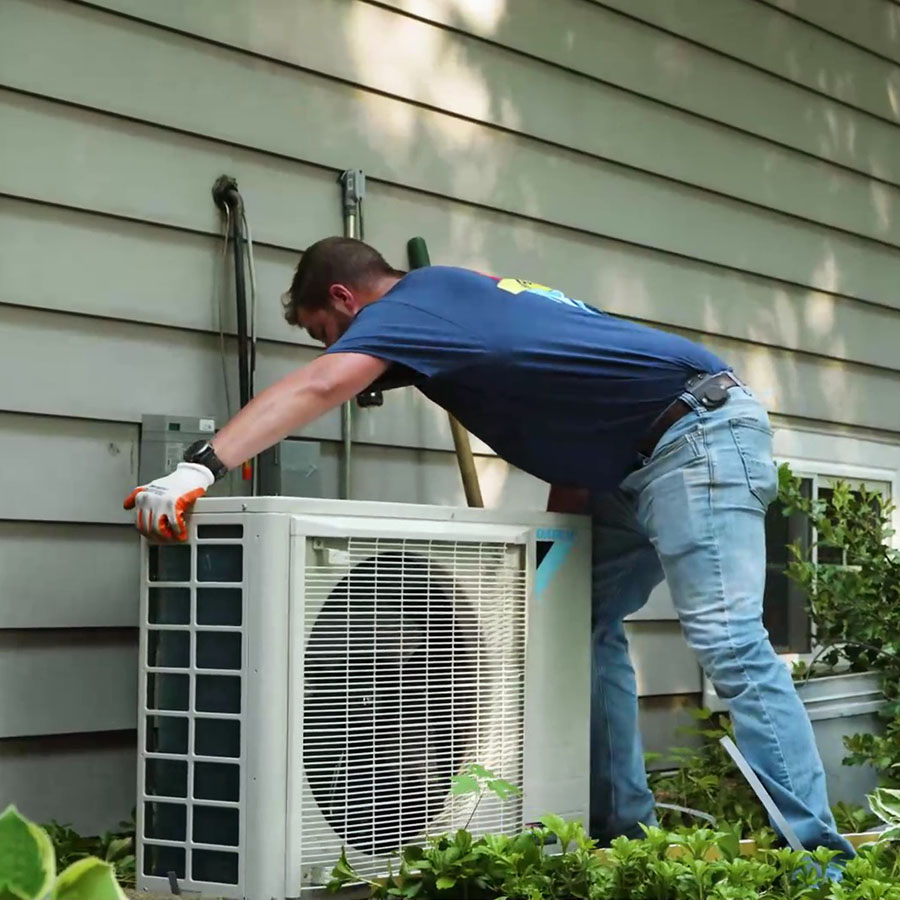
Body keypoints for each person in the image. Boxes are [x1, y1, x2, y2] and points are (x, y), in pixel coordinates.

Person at [125, 236, 852, 856]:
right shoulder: (465, 295)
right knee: (572, 625)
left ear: (347, 300)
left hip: (694, 439)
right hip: (631, 456)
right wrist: (553, 572)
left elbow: (319, 386)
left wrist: (200, 466)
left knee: (729, 645)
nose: (341, 351)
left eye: (327, 331)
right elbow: (573, 444)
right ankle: (624, 833)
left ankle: (821, 860)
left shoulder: (405, 310)